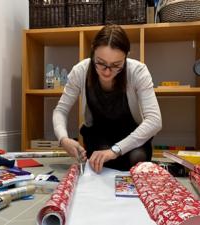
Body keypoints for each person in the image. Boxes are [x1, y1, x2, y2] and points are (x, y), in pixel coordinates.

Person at [53, 24, 162, 173]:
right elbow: (61, 110)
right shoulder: (80, 71)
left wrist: (115, 150)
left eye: (116, 65)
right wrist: (63, 139)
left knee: (138, 160)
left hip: (131, 136)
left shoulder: (137, 71)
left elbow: (155, 121)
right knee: (100, 165)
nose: (107, 71)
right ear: (92, 51)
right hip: (98, 136)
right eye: (100, 63)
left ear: (126, 56)